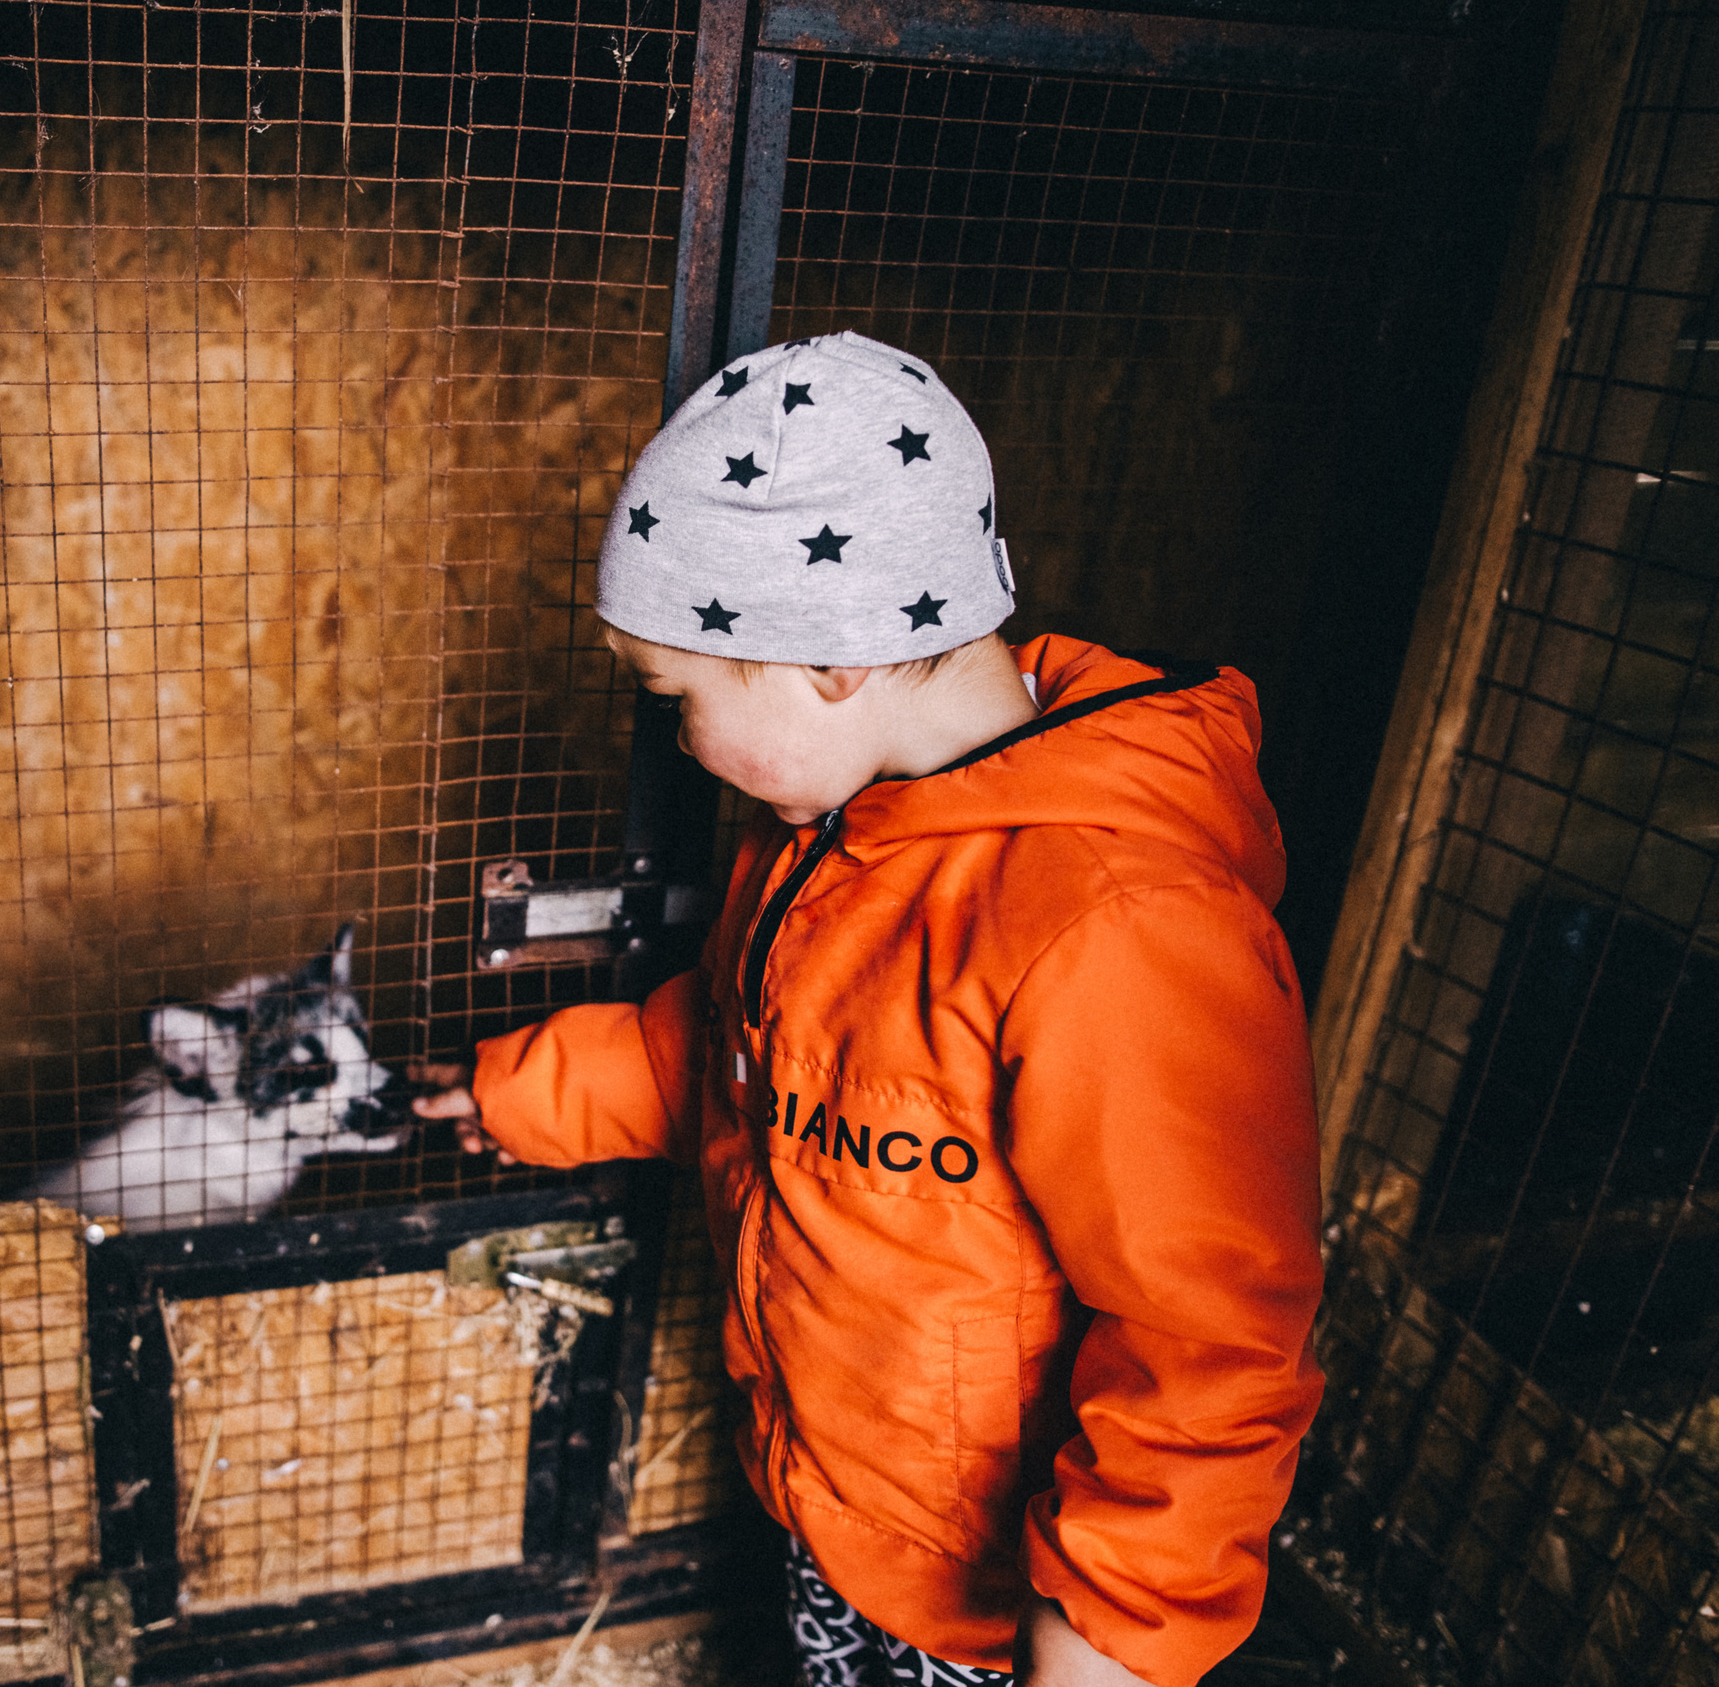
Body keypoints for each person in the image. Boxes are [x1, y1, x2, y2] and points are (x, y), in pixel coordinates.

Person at [414, 332, 1324, 1687]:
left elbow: (1204, 1333)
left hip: (1005, 1609)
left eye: (682, 700)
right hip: (838, 1512)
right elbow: (731, 1053)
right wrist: (522, 1093)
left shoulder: (1114, 923)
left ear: (828, 662)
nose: (679, 744)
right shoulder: (829, 838)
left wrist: (1110, 1641)